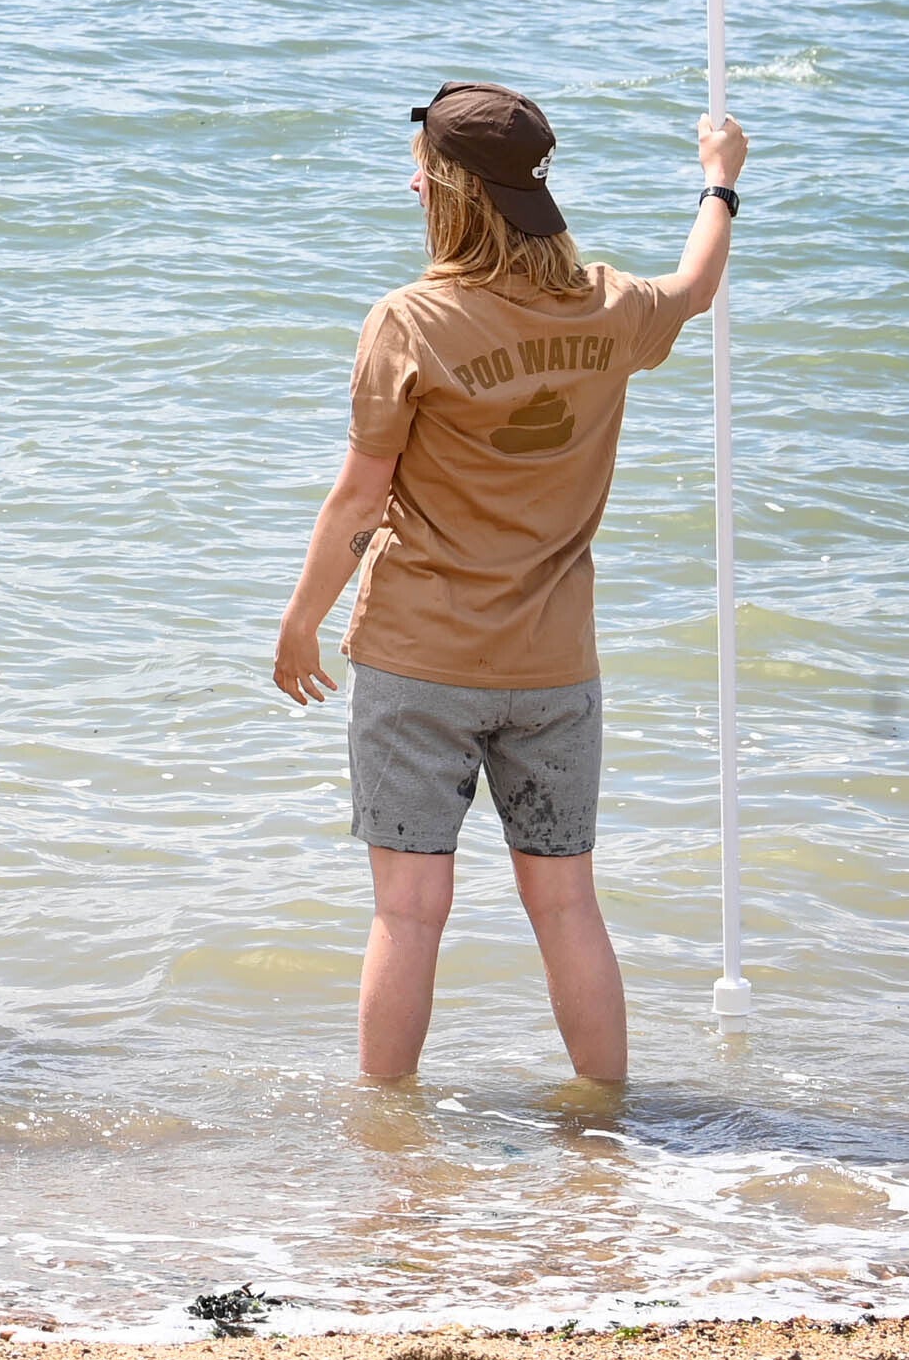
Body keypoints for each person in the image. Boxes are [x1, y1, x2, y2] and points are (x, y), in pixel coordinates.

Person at [271, 82, 749, 1085]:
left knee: (406, 911)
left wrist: (300, 619)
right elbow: (697, 285)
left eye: (423, 170)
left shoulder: (409, 322)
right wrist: (720, 179)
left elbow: (358, 498)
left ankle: (390, 1146)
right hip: (553, 665)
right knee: (567, 903)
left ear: (456, 193)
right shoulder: (611, 307)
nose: (409, 181)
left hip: (418, 658)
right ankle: (604, 1129)